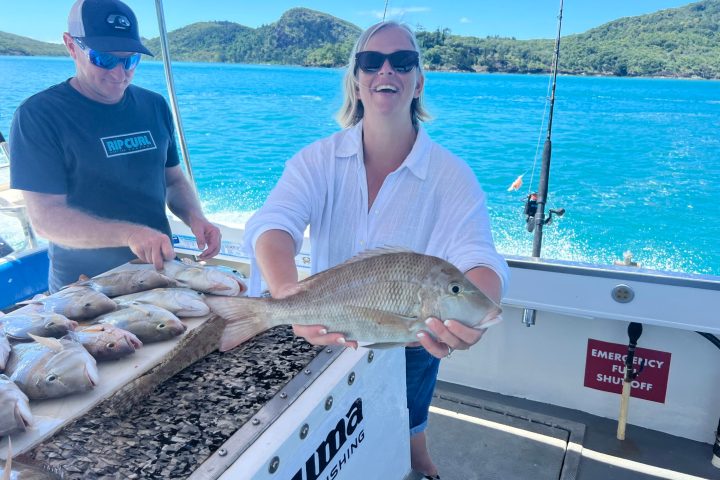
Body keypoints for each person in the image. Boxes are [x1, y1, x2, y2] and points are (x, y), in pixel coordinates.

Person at [244, 21, 509, 479]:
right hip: (328, 329)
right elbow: (273, 224)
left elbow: (477, 255)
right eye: (372, 61)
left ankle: (417, 457)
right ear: (357, 80)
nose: (386, 70)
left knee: (410, 424)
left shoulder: (452, 174)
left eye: (402, 61)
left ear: (418, 81)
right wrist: (286, 294)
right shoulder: (316, 160)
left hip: (412, 338)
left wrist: (476, 309)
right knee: (338, 441)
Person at [9, 0, 220, 292]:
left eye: (130, 60)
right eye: (105, 59)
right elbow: (46, 219)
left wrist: (196, 218)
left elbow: (173, 180)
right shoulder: (39, 115)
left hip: (158, 273)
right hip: (86, 289)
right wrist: (130, 234)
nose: (120, 73)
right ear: (71, 46)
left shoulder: (154, 105)